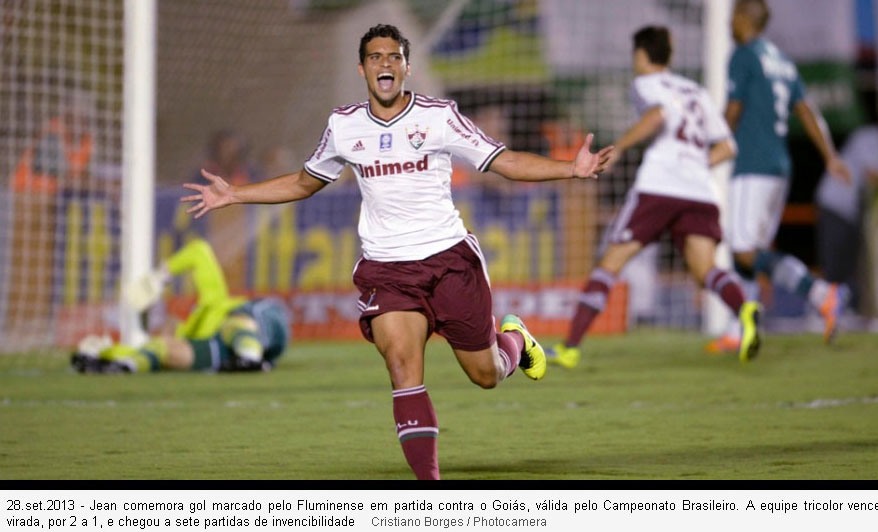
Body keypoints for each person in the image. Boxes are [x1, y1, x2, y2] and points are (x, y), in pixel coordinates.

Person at [180, 24, 614, 480]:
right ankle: (429, 493)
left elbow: (501, 160)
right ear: (362, 68)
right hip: (387, 269)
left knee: (485, 374)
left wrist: (571, 169)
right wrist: (236, 195)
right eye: (375, 57)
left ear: (406, 67)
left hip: (449, 261)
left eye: (393, 57)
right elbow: (306, 181)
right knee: (403, 364)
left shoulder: (438, 116)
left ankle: (514, 341)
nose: (384, 64)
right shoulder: (344, 126)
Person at [546, 26, 760, 369]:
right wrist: (693, 165)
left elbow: (658, 114)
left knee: (609, 263)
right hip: (700, 190)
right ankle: (744, 307)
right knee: (706, 270)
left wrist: (620, 148)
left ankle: (570, 346)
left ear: (641, 55)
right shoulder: (695, 90)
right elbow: (727, 146)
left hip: (659, 185)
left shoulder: (645, 84)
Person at [708, 0, 853, 353]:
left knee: (743, 251)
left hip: (753, 164)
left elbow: (733, 109)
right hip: (779, 166)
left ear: (744, 19)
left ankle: (822, 294)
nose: (729, 24)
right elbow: (807, 110)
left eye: (732, 18)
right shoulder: (781, 60)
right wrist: (830, 156)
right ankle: (738, 328)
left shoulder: (743, 55)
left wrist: (713, 145)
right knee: (750, 249)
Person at [71, 239, 289, 374]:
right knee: (162, 350)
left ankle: (250, 357)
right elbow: (147, 350)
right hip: (223, 355)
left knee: (236, 323)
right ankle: (124, 369)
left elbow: (199, 251)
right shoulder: (188, 338)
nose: (163, 327)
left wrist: (160, 276)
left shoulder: (211, 303)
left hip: (263, 323)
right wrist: (104, 354)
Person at [815, 109, 878, 309]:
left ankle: (840, 309)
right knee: (833, 260)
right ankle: (818, 309)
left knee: (849, 263)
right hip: (834, 202)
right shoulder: (866, 137)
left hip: (853, 212)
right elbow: (875, 177)